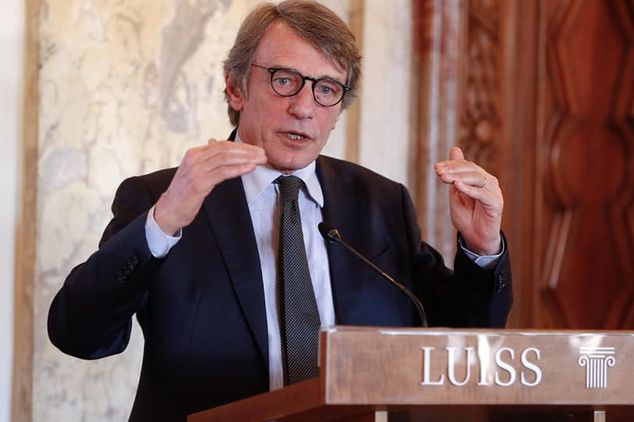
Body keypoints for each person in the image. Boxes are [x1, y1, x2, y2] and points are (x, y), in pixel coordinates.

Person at [47, 1, 512, 420]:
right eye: (284, 80)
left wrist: (482, 247)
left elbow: (463, 345)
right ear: (236, 88)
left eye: (326, 88)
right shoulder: (165, 199)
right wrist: (162, 224)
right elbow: (80, 335)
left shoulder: (379, 203)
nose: (304, 108)